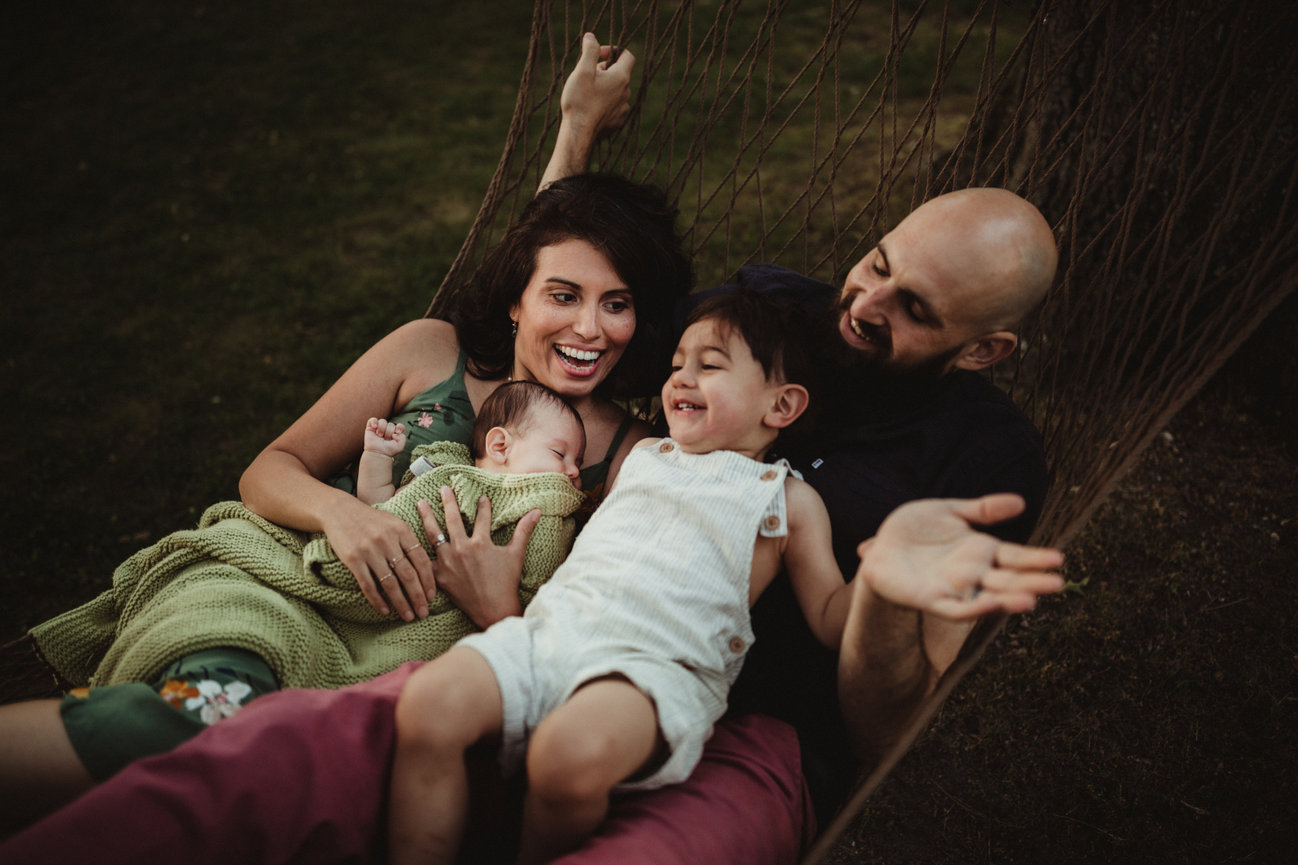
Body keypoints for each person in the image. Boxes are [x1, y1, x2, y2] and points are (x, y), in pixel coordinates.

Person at [0, 35, 1061, 865]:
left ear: (984, 350)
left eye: (907, 307)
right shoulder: (751, 332)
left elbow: (886, 727)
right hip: (501, 644)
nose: (859, 302)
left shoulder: (968, 460)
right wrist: (573, 135)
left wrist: (880, 588)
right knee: (239, 749)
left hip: (729, 725)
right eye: (872, 264)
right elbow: (565, 290)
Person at [0, 170, 692, 835]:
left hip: (402, 665)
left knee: (257, 765)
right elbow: (271, 468)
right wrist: (345, 514)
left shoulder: (626, 461)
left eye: (618, 302)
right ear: (518, 298)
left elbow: (592, 629)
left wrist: (495, 610)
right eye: (563, 296)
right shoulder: (433, 351)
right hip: (277, 585)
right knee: (198, 722)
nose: (591, 328)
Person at [389, 287, 863, 864]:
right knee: (428, 705)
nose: (681, 379)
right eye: (676, 365)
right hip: (549, 633)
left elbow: (832, 616)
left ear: (782, 407)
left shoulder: (786, 499)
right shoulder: (643, 454)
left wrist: (882, 576)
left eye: (708, 366)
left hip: (651, 671)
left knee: (568, 760)